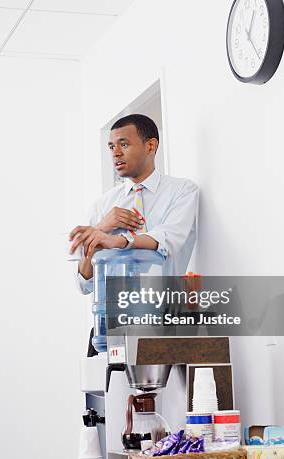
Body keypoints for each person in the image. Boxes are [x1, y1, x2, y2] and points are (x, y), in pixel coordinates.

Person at [69, 114, 199, 352]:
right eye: (111, 147)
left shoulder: (182, 191)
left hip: (164, 324)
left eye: (124, 144)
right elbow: (84, 284)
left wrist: (117, 240)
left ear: (151, 146)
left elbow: (168, 239)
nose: (115, 153)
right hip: (111, 331)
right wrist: (101, 228)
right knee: (106, 389)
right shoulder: (102, 206)